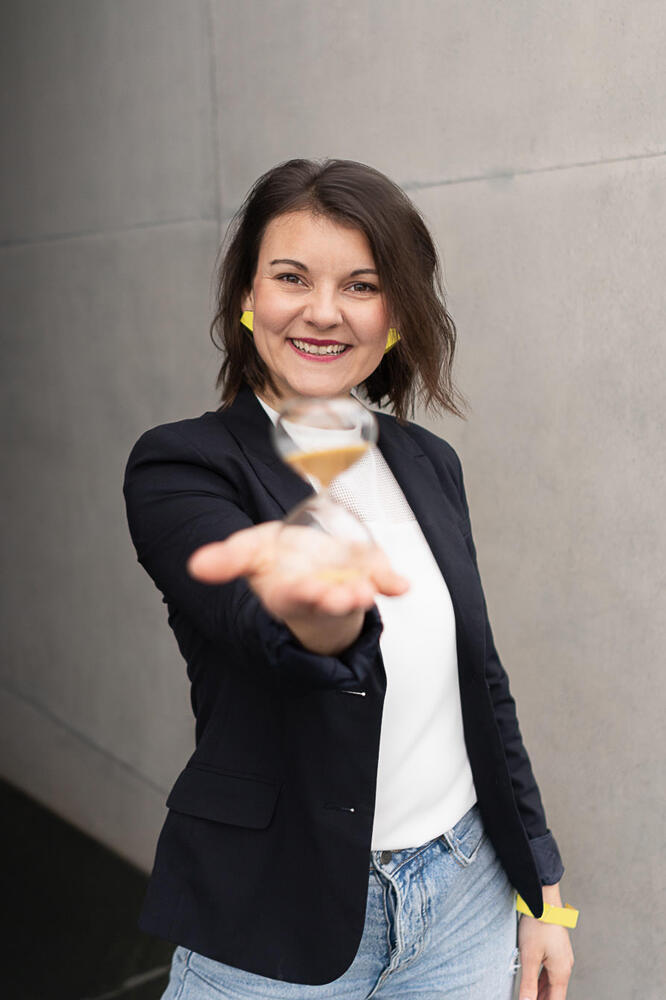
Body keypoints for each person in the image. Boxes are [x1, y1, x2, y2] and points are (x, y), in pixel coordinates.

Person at [124, 158, 575, 999]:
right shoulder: (183, 464)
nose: (323, 311)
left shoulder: (426, 462)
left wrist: (543, 891)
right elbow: (254, 622)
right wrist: (319, 614)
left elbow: (480, 684)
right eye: (291, 277)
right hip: (272, 917)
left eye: (361, 286)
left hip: (464, 901)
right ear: (247, 297)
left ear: (395, 314)